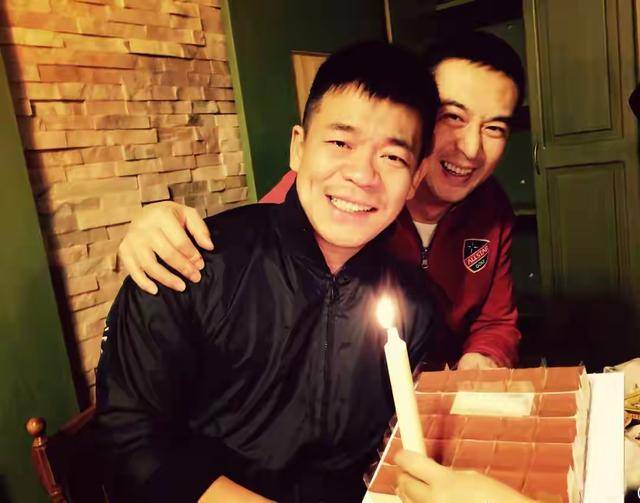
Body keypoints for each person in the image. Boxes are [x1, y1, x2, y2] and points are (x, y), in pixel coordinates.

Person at [96, 41, 440, 503]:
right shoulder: (192, 263)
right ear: (298, 147)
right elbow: (130, 442)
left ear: (416, 178)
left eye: (393, 157)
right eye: (341, 143)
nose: (362, 175)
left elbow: (397, 443)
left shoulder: (413, 303)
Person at [117, 31, 526, 371]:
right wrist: (157, 225)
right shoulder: (340, 198)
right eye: (452, 117)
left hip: (438, 395)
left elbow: (495, 320)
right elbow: (258, 249)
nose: (470, 148)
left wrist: (482, 360)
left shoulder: (492, 210)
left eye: (494, 128)